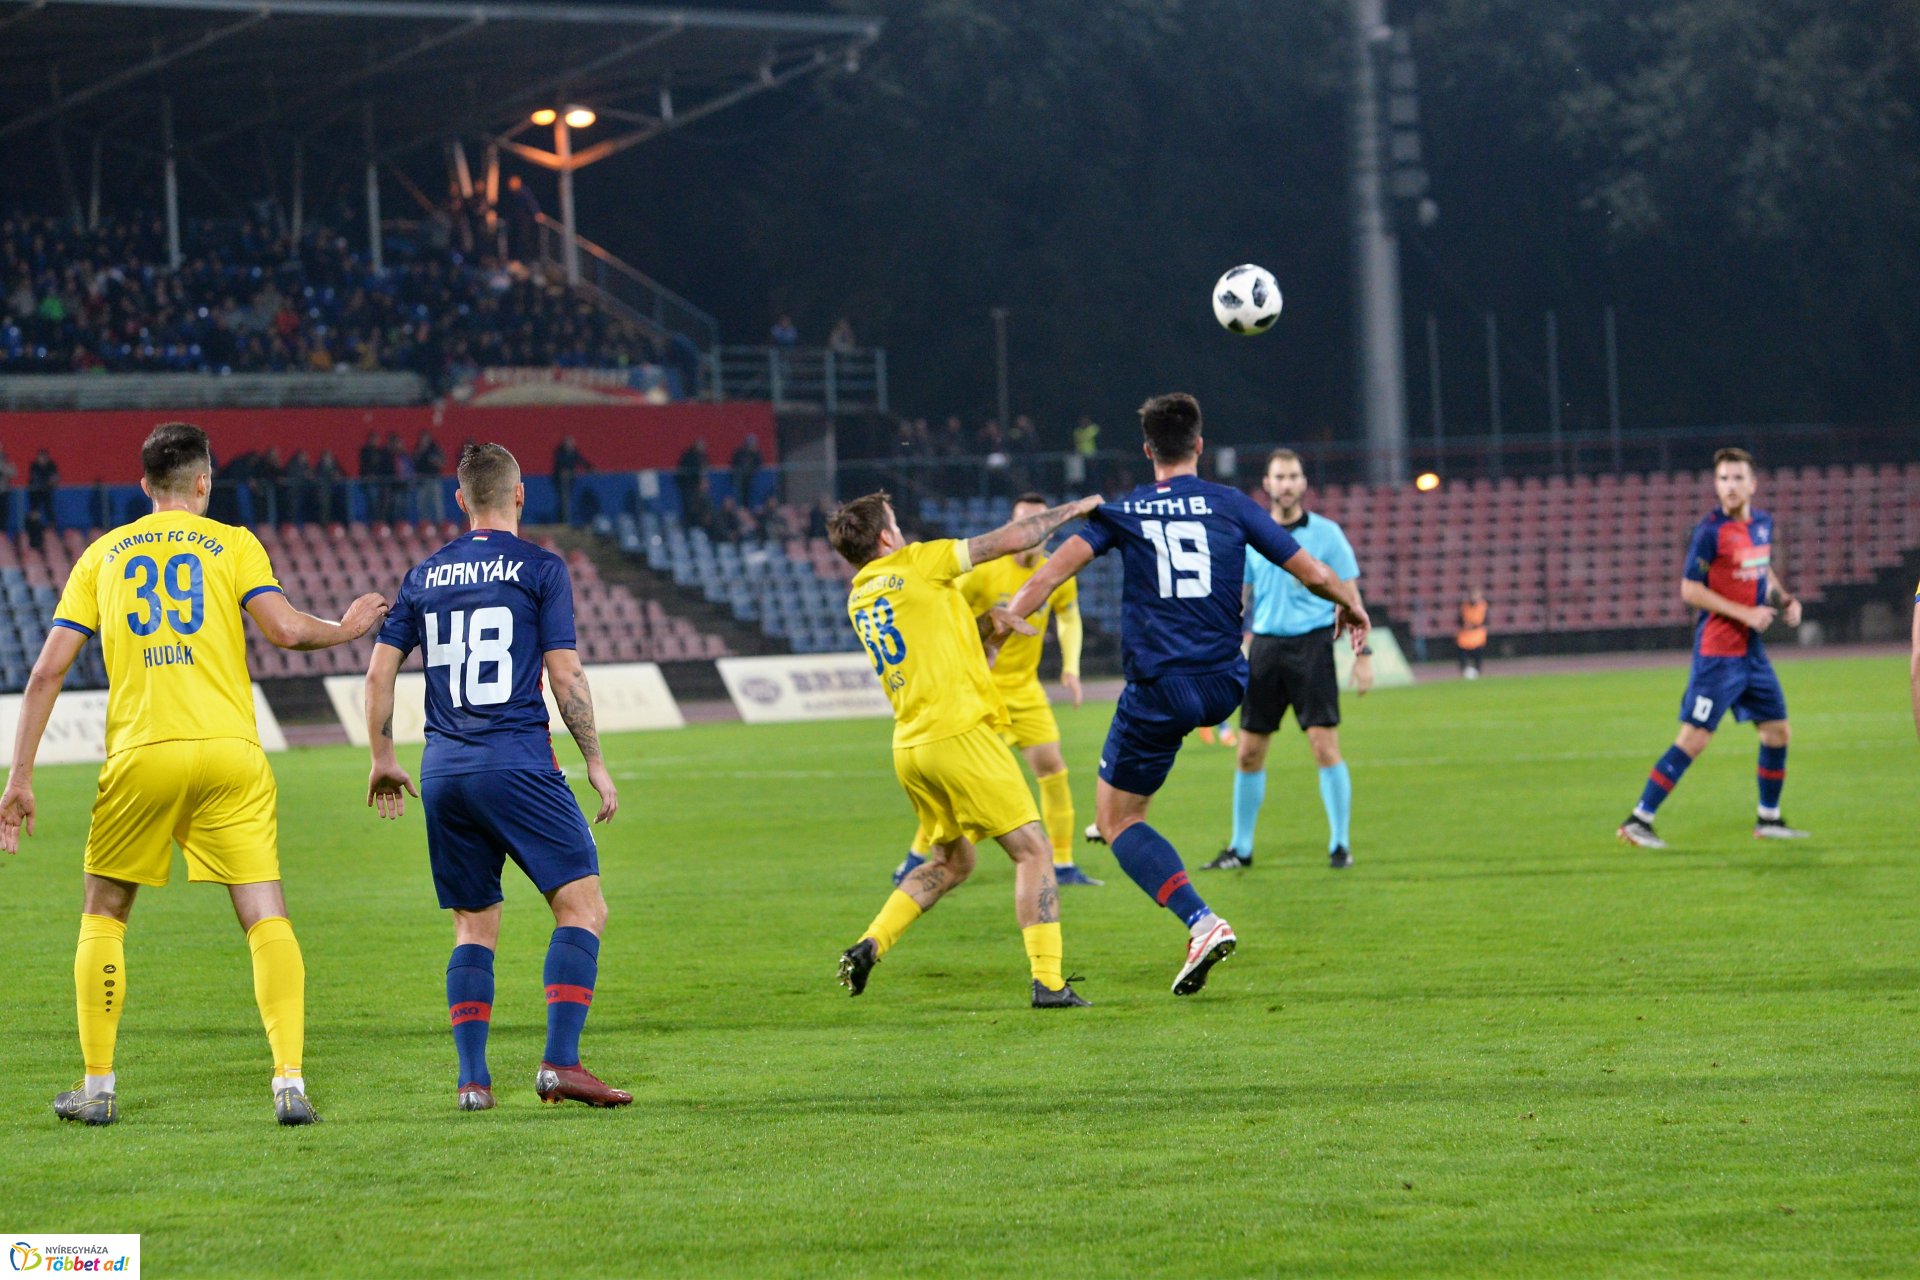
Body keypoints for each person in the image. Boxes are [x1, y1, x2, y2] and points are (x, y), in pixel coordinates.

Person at [0, 422, 388, 1126]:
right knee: (264, 913)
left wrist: (19, 775)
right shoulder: (233, 543)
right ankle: (289, 1082)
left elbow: (46, 671)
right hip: (230, 752)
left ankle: (97, 1085)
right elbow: (288, 630)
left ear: (145, 485)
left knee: (104, 912)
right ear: (203, 481)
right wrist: (350, 625)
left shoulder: (101, 555)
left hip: (142, 752)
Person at [997, 394, 1367, 995]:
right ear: (1198, 445)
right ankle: (1129, 814)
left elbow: (1046, 576)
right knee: (1127, 799)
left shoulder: (1125, 511)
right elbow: (1315, 573)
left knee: (1116, 820)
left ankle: (1200, 921)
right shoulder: (1234, 504)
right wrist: (1353, 609)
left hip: (1161, 688)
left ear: (1147, 451)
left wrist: (1006, 621)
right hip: (1225, 684)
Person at [363, 443, 627, 1111]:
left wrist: (381, 757)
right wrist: (594, 760)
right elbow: (564, 673)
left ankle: (473, 1083)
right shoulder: (540, 567)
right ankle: (560, 1064)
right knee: (582, 907)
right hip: (516, 762)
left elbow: (378, 673)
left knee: (473, 926)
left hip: (444, 769)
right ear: (519, 495)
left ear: (460, 501)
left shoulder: (422, 575)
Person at [828, 490, 1101, 1008]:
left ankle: (871, 943)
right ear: (887, 536)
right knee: (1033, 851)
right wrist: (1076, 510)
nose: (903, 530)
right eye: (896, 522)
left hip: (911, 745)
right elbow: (1012, 539)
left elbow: (935, 639)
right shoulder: (917, 561)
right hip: (959, 735)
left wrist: (985, 626)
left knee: (953, 862)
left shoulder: (861, 594)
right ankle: (1048, 981)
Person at [890, 491, 1099, 890]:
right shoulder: (982, 573)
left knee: (1053, 769)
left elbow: (1068, 617)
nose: (1029, 533)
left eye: (1038, 524)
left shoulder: (1056, 572)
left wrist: (1071, 668)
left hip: (1026, 690)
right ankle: (915, 859)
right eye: (1020, 524)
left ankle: (1065, 864)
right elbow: (943, 614)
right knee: (954, 790)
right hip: (977, 693)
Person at [1618, 447, 1809, 849]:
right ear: (1715, 485)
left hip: (1750, 652)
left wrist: (1784, 598)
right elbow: (1690, 590)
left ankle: (1768, 819)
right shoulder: (1709, 531)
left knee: (1777, 731)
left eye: (1738, 478)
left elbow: (1761, 567)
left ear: (1753, 484)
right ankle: (1638, 819)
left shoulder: (1762, 524)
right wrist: (1745, 612)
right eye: (1723, 479)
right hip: (1718, 652)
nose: (1730, 486)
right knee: (1695, 738)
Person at [1204, 449, 1369, 873]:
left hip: (1313, 646)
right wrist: (1222, 648)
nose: (1288, 483)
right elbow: (1237, 598)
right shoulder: (1252, 536)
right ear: (1267, 484)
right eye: (1280, 476)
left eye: (1294, 475)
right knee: (1248, 753)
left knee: (1323, 746)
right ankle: (1240, 849)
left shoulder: (1328, 534)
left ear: (1303, 483)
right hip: (1265, 649)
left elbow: (1350, 594)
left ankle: (1340, 845)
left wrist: (1362, 654)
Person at [553, 436, 588, 526]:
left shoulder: (574, 453)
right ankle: (564, 520)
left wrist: (590, 468)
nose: (571, 445)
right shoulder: (560, 453)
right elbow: (558, 466)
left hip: (572, 480)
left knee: (572, 500)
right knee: (564, 500)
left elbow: (581, 461)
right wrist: (564, 471)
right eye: (569, 443)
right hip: (562, 481)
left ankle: (574, 520)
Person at [413, 431, 446, 524]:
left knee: (436, 504)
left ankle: (440, 524)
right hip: (422, 481)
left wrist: (435, 461)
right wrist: (420, 450)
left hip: (434, 479)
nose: (424, 440)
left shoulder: (435, 448)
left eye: (425, 438)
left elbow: (443, 462)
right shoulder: (418, 448)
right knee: (422, 505)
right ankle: (424, 524)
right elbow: (414, 462)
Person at [1457, 589, 1488, 678]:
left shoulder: (1483, 605)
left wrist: (1474, 625)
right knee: (1462, 651)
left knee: (1478, 653)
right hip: (1466, 633)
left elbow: (1485, 620)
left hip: (1477, 633)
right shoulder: (1464, 606)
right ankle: (1464, 670)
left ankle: (1478, 671)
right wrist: (1465, 625)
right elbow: (1459, 619)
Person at [27, 447, 58, 530]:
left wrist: (49, 483)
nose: (42, 459)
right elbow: (34, 478)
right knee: (34, 510)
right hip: (35, 492)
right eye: (40, 456)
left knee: (49, 509)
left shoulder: (51, 465)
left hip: (47, 492)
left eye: (44, 457)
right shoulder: (34, 465)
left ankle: (52, 527)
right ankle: (34, 527)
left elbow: (54, 478)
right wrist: (43, 483)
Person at [730, 433, 763, 509]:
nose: (752, 445)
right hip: (740, 477)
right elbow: (735, 462)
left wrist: (755, 454)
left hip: (750, 477)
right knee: (740, 494)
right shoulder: (740, 452)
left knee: (749, 495)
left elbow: (759, 463)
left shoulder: (756, 453)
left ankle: (748, 508)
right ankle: (741, 508)